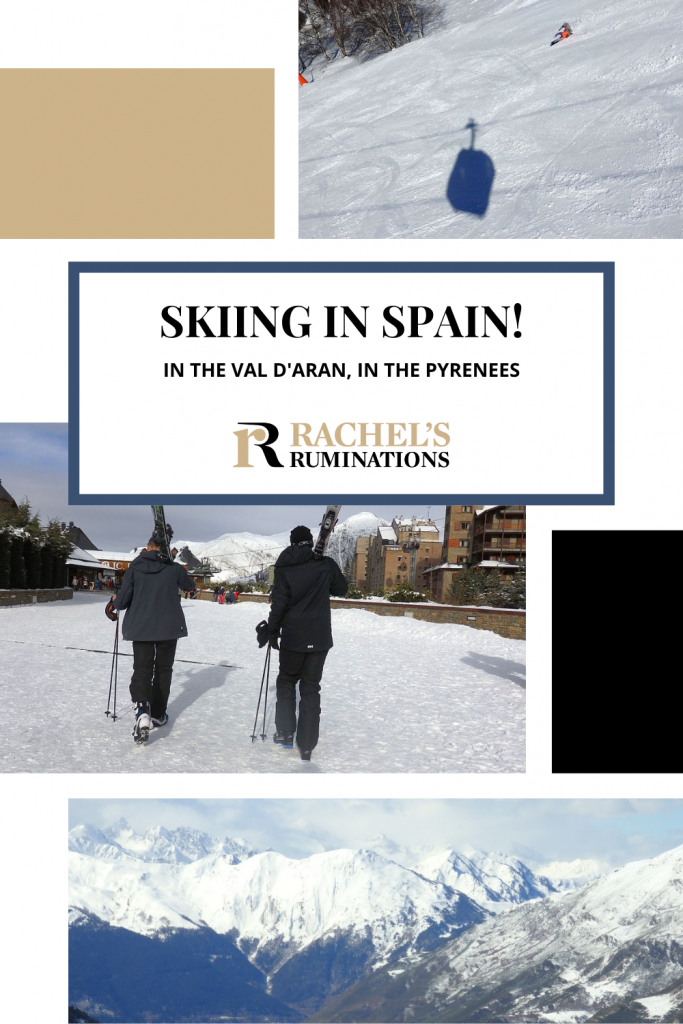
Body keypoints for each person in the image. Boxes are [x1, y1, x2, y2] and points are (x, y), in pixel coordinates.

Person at [266, 525, 347, 761]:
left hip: (293, 636)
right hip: (319, 638)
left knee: (287, 682)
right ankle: (308, 744)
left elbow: (279, 602)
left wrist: (272, 630)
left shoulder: (284, 567)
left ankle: (285, 733)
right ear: (311, 542)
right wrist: (325, 579)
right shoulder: (325, 564)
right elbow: (342, 589)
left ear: (292, 543)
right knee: (311, 688)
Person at [107, 535, 196, 743]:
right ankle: (158, 713)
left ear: (148, 547)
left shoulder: (135, 568)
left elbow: (121, 602)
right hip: (168, 627)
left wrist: (113, 602)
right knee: (163, 670)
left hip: (141, 627)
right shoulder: (173, 569)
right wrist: (172, 564)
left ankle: (142, 711)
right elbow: (190, 586)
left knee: (142, 668)